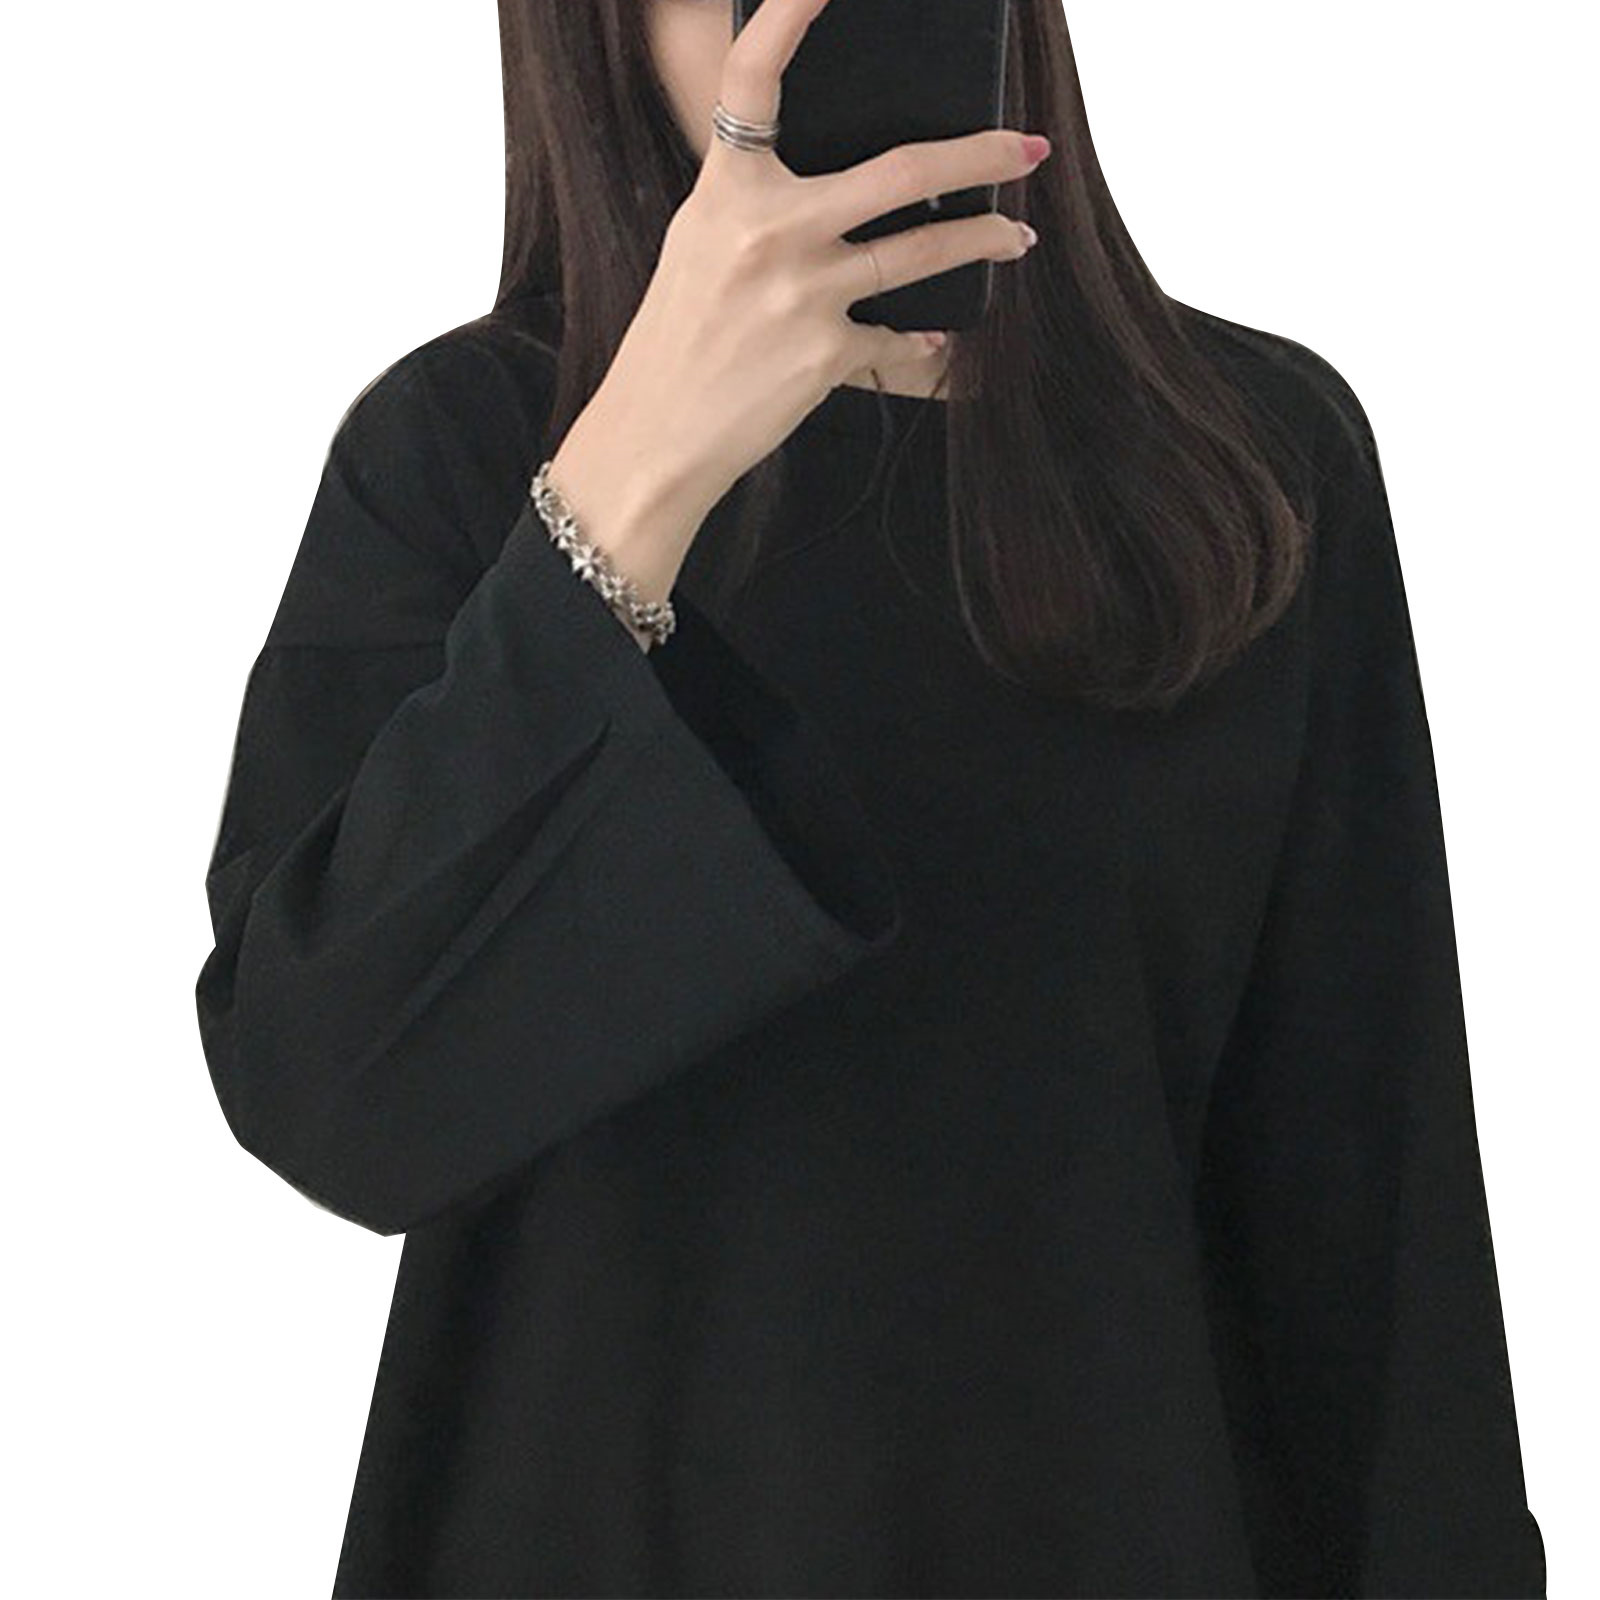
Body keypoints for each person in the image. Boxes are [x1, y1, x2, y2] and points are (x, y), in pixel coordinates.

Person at [193, 1, 1545, 1594]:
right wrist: (627, 493)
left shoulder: (1245, 466)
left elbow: (1377, 1225)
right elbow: (329, 1095)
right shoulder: (467, 453)